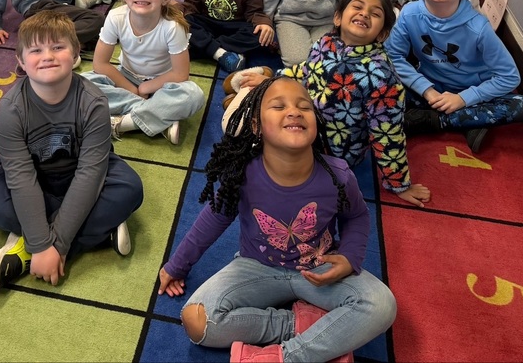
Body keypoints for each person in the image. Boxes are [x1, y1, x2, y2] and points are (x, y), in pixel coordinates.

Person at [157, 76, 397, 363]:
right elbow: (214, 218)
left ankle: (286, 357)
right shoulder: (243, 174)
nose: (294, 111)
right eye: (278, 106)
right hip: (256, 267)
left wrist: (349, 257)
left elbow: (357, 216)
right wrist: (177, 265)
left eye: (304, 107)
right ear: (256, 126)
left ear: (316, 121)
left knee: (382, 305)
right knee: (196, 320)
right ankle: (302, 324)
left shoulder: (338, 174)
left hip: (317, 268)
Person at [0, 11, 145, 290]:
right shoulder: (10, 109)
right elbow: (21, 178)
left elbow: (90, 174)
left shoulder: (93, 102)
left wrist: (53, 246)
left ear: (76, 53)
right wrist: (45, 243)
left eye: (58, 47)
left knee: (130, 189)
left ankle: (25, 249)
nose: (48, 56)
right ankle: (99, 233)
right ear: (20, 61)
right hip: (34, 176)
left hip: (82, 171)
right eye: (36, 50)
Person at [226, 0, 431, 208]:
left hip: (330, 150)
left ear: (382, 34)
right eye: (358, 7)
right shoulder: (326, 43)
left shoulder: (382, 78)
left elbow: (388, 134)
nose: (364, 14)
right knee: (250, 116)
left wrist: (399, 184)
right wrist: (271, 80)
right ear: (338, 17)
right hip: (304, 118)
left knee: (258, 147)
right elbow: (307, 72)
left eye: (375, 14)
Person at [385, 0, 523, 153]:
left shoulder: (478, 27)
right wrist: (427, 91)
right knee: (379, 84)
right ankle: (468, 121)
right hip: (430, 88)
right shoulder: (409, 14)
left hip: (471, 90)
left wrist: (463, 98)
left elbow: (510, 77)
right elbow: (393, 56)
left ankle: (436, 120)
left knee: (522, 105)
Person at [82, 0, 205, 144]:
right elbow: (100, 64)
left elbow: (180, 74)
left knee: (193, 95)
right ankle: (160, 117)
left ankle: (122, 123)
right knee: (80, 83)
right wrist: (132, 89)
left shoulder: (172, 27)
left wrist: (145, 88)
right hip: (125, 79)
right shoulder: (116, 17)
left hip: (163, 85)